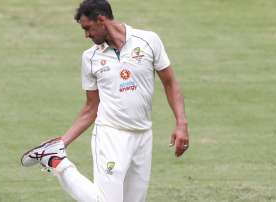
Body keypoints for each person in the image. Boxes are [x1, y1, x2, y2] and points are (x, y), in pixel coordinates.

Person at [20, 0, 189, 201]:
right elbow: (91, 107)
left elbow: (170, 83)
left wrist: (181, 123)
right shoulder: (90, 58)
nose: (86, 35)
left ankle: (52, 155)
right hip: (110, 134)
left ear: (101, 20)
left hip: (143, 135)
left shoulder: (148, 41)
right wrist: (63, 142)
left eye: (87, 28)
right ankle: (58, 162)